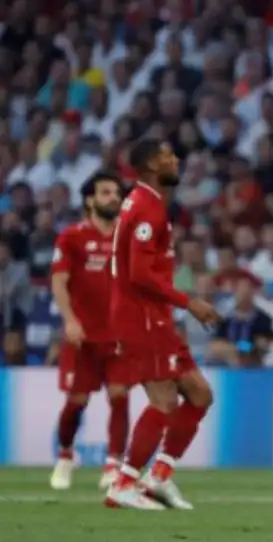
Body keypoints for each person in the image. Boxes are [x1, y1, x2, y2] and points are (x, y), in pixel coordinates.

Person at [104, 140, 220, 510]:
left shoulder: (148, 204)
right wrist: (191, 302)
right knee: (164, 401)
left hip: (156, 317)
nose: (176, 160)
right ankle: (123, 484)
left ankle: (159, 477)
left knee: (200, 394)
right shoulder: (147, 209)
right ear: (151, 166)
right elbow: (139, 274)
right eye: (168, 156)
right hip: (141, 317)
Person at [49, 171, 127, 491]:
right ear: (89, 200)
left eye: (116, 193)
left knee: (119, 397)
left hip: (119, 335)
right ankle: (66, 456)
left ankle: (113, 464)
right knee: (76, 401)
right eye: (106, 192)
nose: (114, 198)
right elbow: (59, 281)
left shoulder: (128, 238)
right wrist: (69, 319)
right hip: (82, 336)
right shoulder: (72, 237)